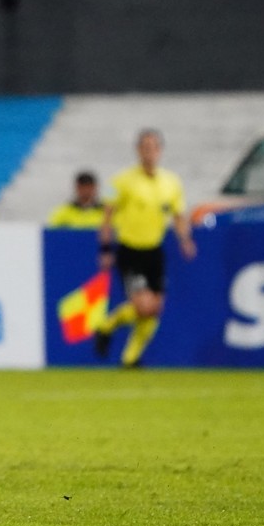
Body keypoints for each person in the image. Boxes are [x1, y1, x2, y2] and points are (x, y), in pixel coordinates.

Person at [95, 129, 196, 368]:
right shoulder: (119, 181)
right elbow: (106, 217)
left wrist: (185, 239)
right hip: (130, 250)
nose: (149, 152)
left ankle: (130, 359)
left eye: (153, 147)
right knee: (144, 305)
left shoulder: (172, 182)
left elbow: (178, 215)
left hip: (154, 251)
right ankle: (107, 325)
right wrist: (105, 249)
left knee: (155, 309)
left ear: (160, 150)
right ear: (138, 150)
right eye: (145, 147)